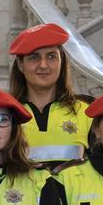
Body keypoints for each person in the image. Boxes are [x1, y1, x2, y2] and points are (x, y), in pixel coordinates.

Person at [7, 23, 92, 166]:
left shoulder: (87, 110)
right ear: (21, 65)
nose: (43, 65)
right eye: (34, 57)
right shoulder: (6, 115)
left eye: (51, 56)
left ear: (61, 61)